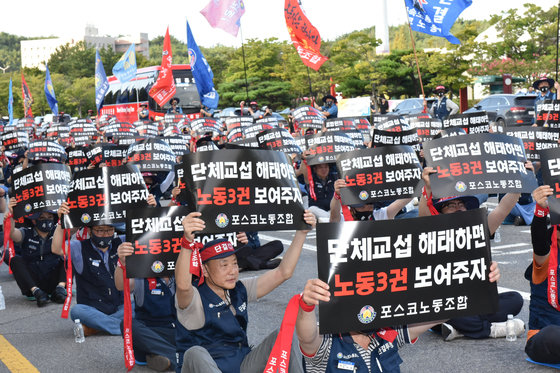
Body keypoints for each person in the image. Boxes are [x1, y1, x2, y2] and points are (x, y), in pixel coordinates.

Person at [174, 210, 316, 373]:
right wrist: (187, 242)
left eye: (234, 263)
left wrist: (302, 233)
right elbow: (183, 286)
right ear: (205, 271)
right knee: (194, 353)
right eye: (224, 265)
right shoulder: (195, 299)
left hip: (241, 364)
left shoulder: (239, 289)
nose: (232, 271)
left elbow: (283, 272)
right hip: (206, 367)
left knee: (285, 335)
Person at [296, 261, 501, 372]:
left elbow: (442, 313)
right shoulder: (328, 343)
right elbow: (307, 338)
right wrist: (306, 305)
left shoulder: (387, 333)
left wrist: (475, 279)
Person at [419, 166, 525, 341]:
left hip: (475, 301)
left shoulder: (477, 229)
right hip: (446, 303)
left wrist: (519, 182)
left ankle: (459, 329)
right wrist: (428, 189)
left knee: (515, 299)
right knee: (443, 311)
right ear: (441, 211)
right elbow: (423, 218)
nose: (458, 208)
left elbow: (502, 209)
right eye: (451, 205)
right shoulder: (433, 233)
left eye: (461, 204)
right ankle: (489, 329)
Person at [115, 242, 177, 372]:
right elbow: (121, 285)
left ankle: (159, 356)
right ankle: (177, 358)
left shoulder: (180, 273)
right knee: (128, 325)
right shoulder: (141, 274)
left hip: (176, 330)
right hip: (150, 331)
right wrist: (122, 263)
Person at [7, 198, 66, 307]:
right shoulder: (26, 232)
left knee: (71, 253)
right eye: (42, 218)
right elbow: (11, 233)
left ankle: (60, 288)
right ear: (34, 220)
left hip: (53, 278)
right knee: (15, 260)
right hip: (33, 282)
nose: (46, 220)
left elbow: (74, 229)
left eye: (49, 217)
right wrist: (11, 215)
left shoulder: (58, 232)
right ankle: (37, 292)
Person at [525, 185, 560, 364]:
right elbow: (539, 243)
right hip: (544, 336)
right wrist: (540, 211)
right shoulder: (547, 258)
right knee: (552, 335)